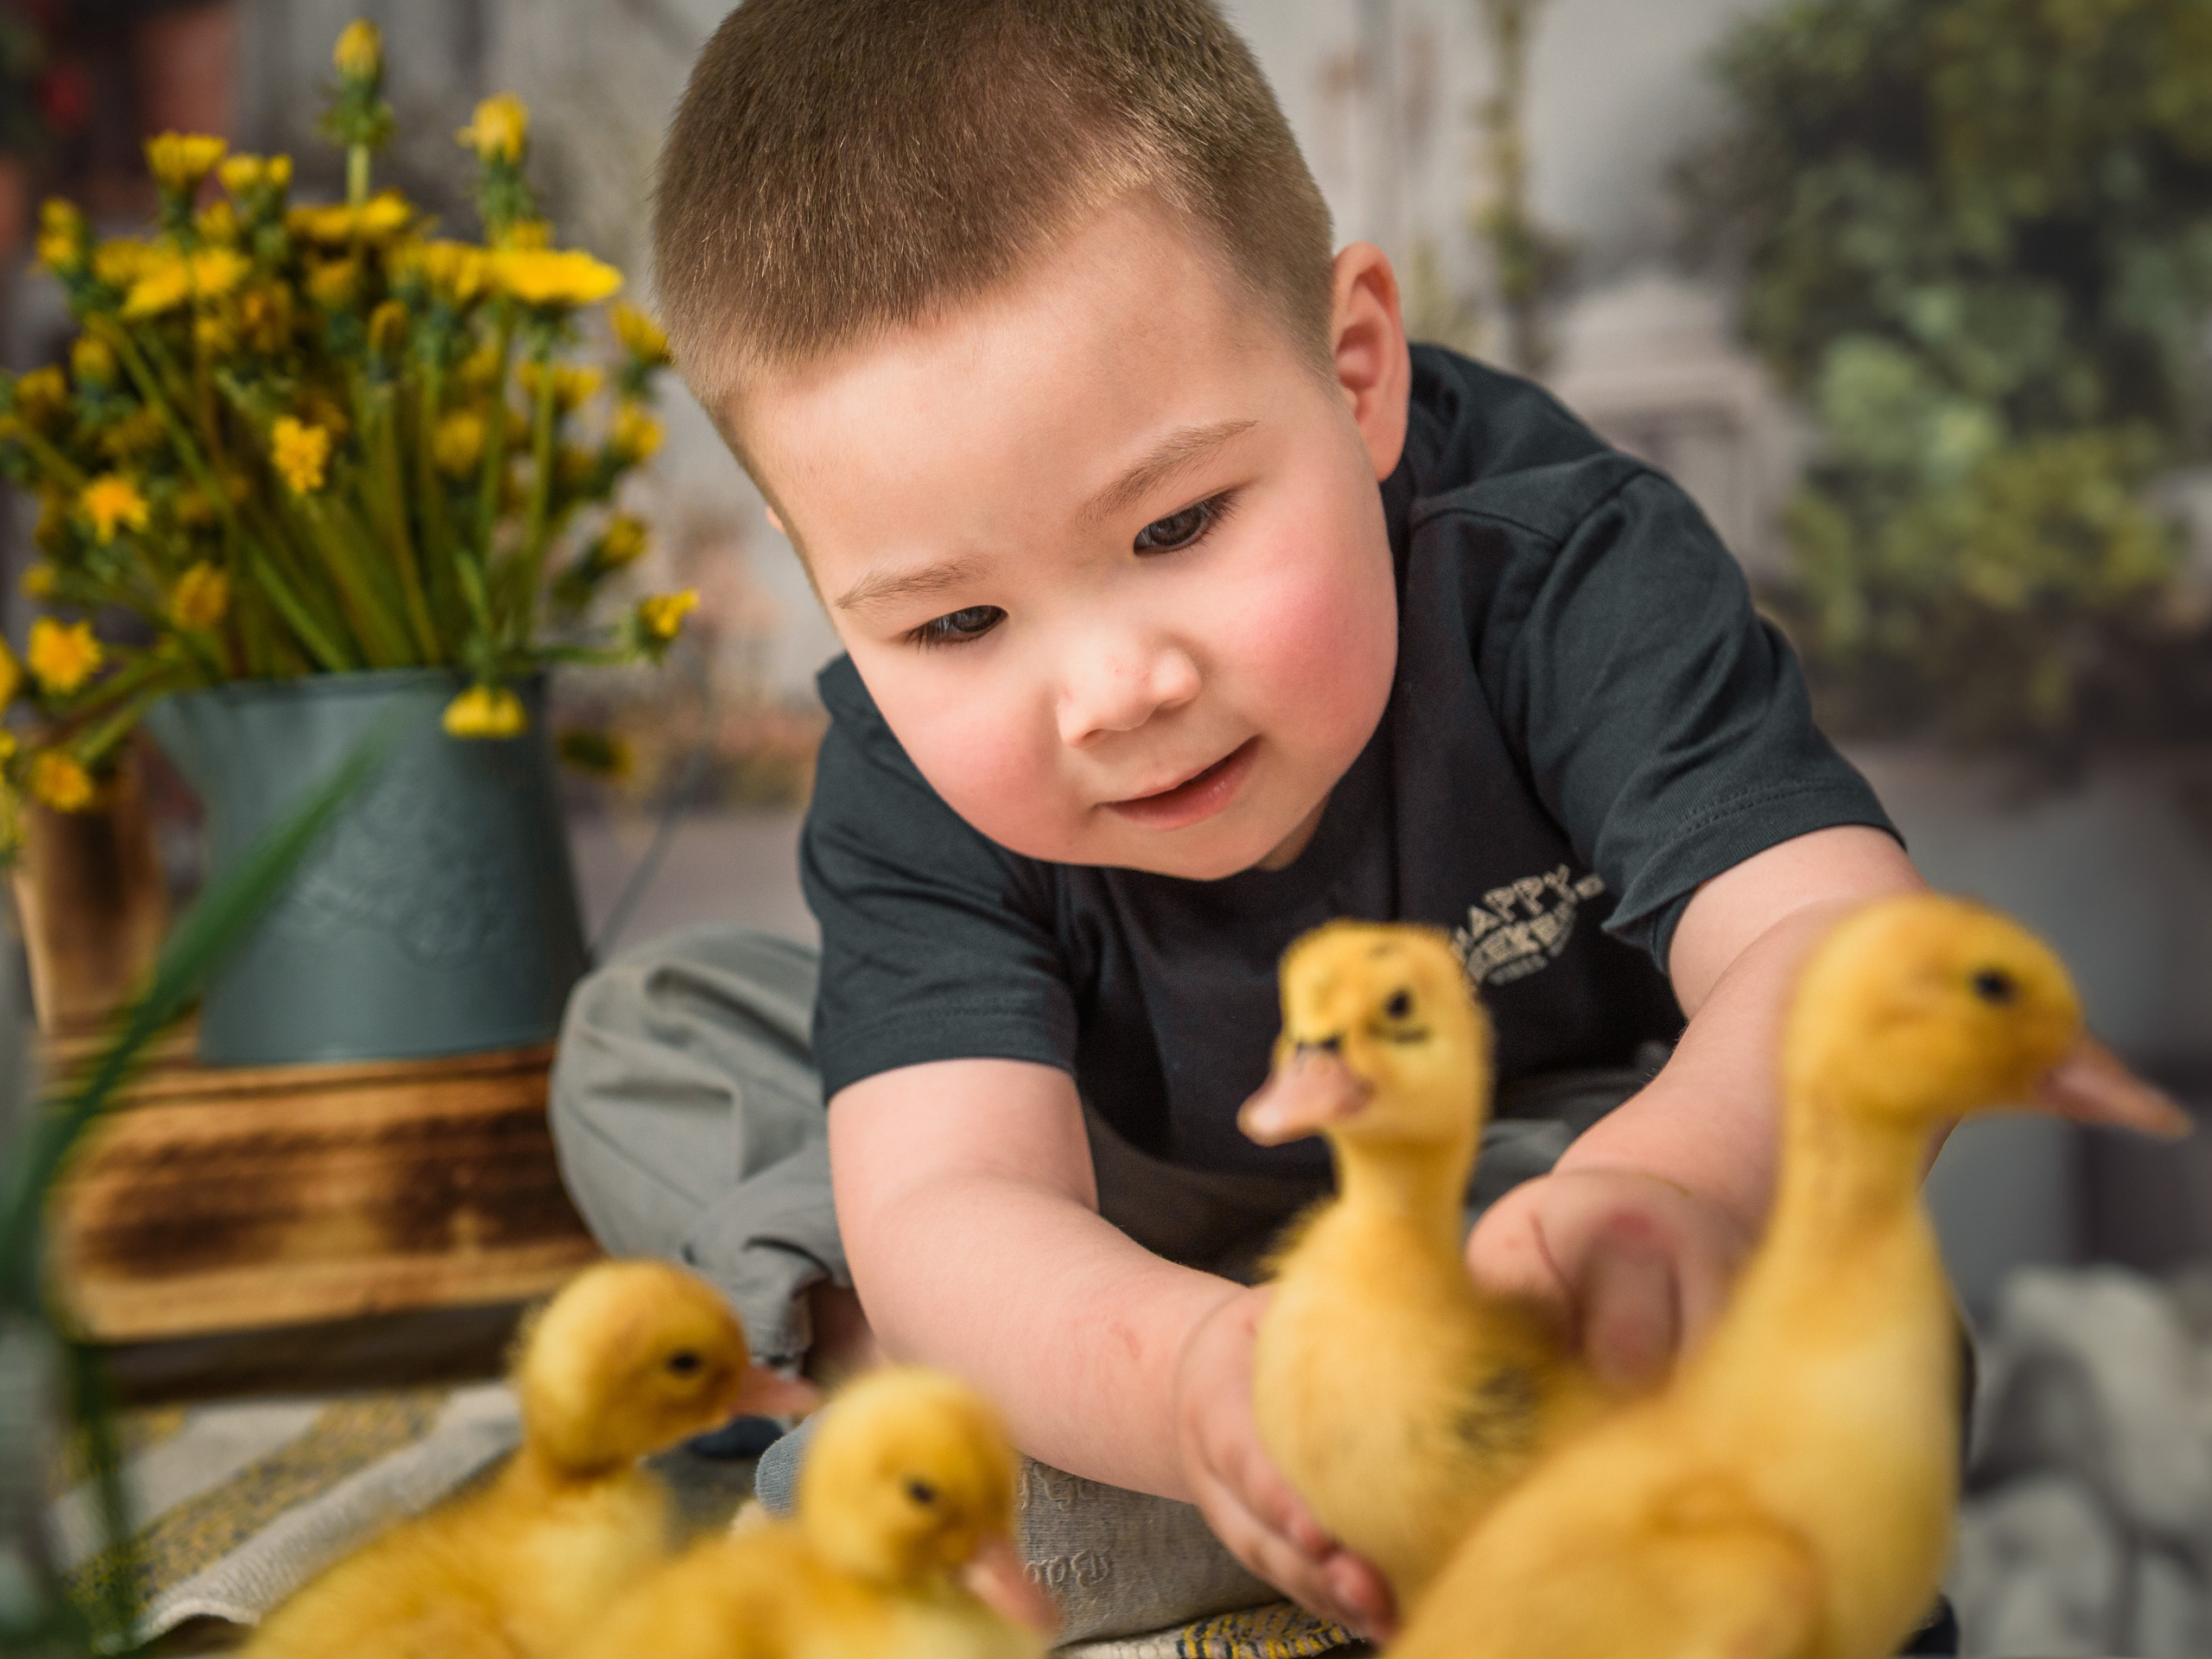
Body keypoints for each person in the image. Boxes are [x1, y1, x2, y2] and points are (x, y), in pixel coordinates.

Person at [550, 0, 1949, 1647]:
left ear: (1356, 374)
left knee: (1766, 1260)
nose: (1113, 690)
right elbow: (953, 1198)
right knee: (653, 1038)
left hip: (1505, 1168)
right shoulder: (902, 770)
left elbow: (1840, 947)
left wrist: (1665, 1189)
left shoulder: (1561, 571)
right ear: (829, 583)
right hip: (1122, 1191)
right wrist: (1193, 1372)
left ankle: (1149, 1460)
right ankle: (1172, 1427)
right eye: (954, 626)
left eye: (1179, 524)